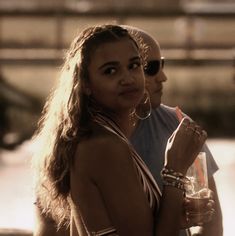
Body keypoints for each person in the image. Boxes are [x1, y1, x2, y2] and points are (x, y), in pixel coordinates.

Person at [32, 24, 209, 236]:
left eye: (134, 65)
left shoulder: (99, 134)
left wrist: (172, 217)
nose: (128, 78)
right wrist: (175, 170)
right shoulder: (105, 146)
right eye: (111, 71)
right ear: (85, 83)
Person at [125, 26, 223, 236]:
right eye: (150, 68)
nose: (163, 77)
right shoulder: (84, 139)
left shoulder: (179, 125)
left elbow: (211, 222)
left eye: (162, 64)